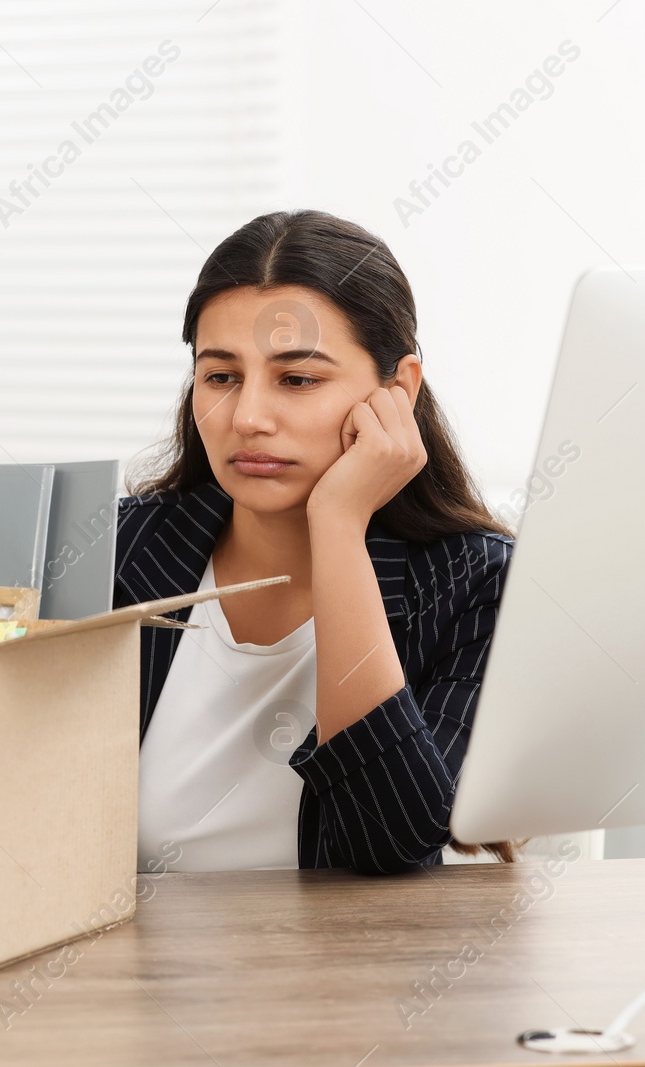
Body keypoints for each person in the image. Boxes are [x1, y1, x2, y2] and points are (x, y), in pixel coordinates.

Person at [119, 209, 515, 874]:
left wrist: (337, 525)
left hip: (350, 975)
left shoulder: (474, 585)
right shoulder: (122, 553)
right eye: (221, 376)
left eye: (297, 379)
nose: (248, 417)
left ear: (397, 391)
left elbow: (389, 846)